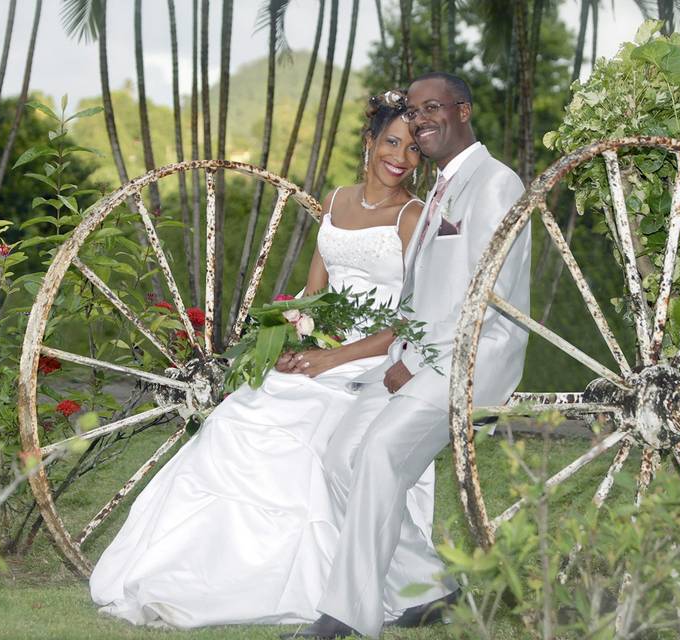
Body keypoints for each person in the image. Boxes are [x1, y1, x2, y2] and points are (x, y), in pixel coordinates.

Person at [89, 91, 440, 628]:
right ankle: (201, 566)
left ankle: (329, 581)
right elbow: (313, 295)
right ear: (370, 142)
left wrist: (329, 360)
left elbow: (414, 319)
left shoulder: (413, 217)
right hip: (326, 348)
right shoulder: (338, 199)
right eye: (392, 141)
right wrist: (290, 341)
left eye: (414, 149)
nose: (402, 157)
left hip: (376, 359)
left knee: (307, 429)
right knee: (240, 415)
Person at [291, 72, 531, 639]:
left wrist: (417, 361)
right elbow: (420, 290)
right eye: (414, 112)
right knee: (339, 456)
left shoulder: (495, 183)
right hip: (413, 353)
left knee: (377, 452)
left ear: (463, 110)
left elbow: (483, 296)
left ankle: (346, 616)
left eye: (433, 109)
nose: (421, 121)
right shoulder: (444, 186)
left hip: (469, 357)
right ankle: (431, 588)